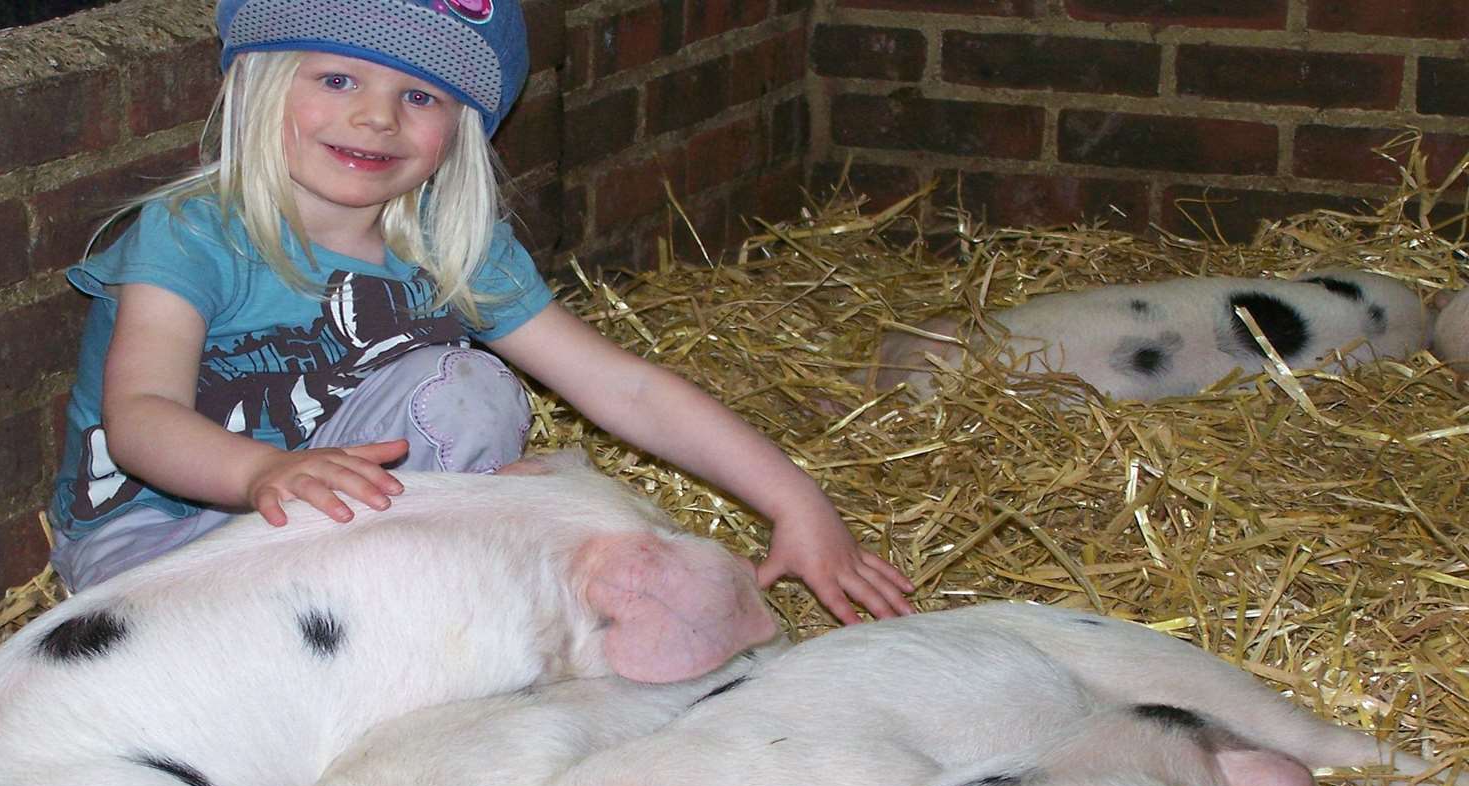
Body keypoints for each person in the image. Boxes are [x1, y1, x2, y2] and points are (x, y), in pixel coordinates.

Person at [47, 0, 914, 623]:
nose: (377, 115)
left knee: (466, 390)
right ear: (262, 85)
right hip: (161, 542)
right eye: (338, 76)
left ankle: (417, 625)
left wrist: (796, 502)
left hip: (343, 532)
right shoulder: (193, 234)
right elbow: (141, 418)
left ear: (463, 127)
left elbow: (627, 390)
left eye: (421, 96)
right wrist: (259, 476)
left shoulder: (449, 247)